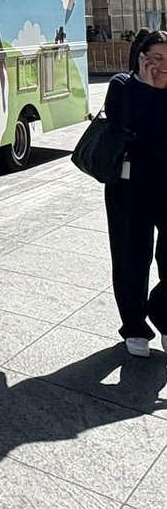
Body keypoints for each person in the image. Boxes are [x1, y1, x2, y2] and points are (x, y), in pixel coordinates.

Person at [103, 29, 167, 357]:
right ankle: (134, 326)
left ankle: (163, 315)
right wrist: (144, 86)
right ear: (140, 58)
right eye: (154, 58)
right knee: (131, 258)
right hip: (129, 187)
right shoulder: (122, 85)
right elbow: (121, 122)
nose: (161, 66)